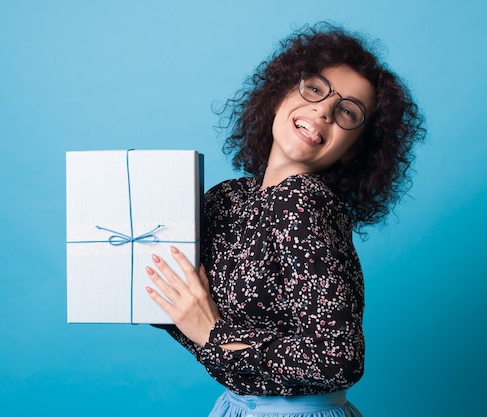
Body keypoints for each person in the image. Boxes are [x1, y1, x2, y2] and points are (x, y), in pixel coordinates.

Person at [144, 22, 425, 417]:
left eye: (347, 112)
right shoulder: (229, 198)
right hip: (235, 406)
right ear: (279, 98)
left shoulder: (304, 203)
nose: (323, 110)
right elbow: (193, 320)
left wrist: (213, 334)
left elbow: (338, 358)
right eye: (314, 89)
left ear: (352, 151)